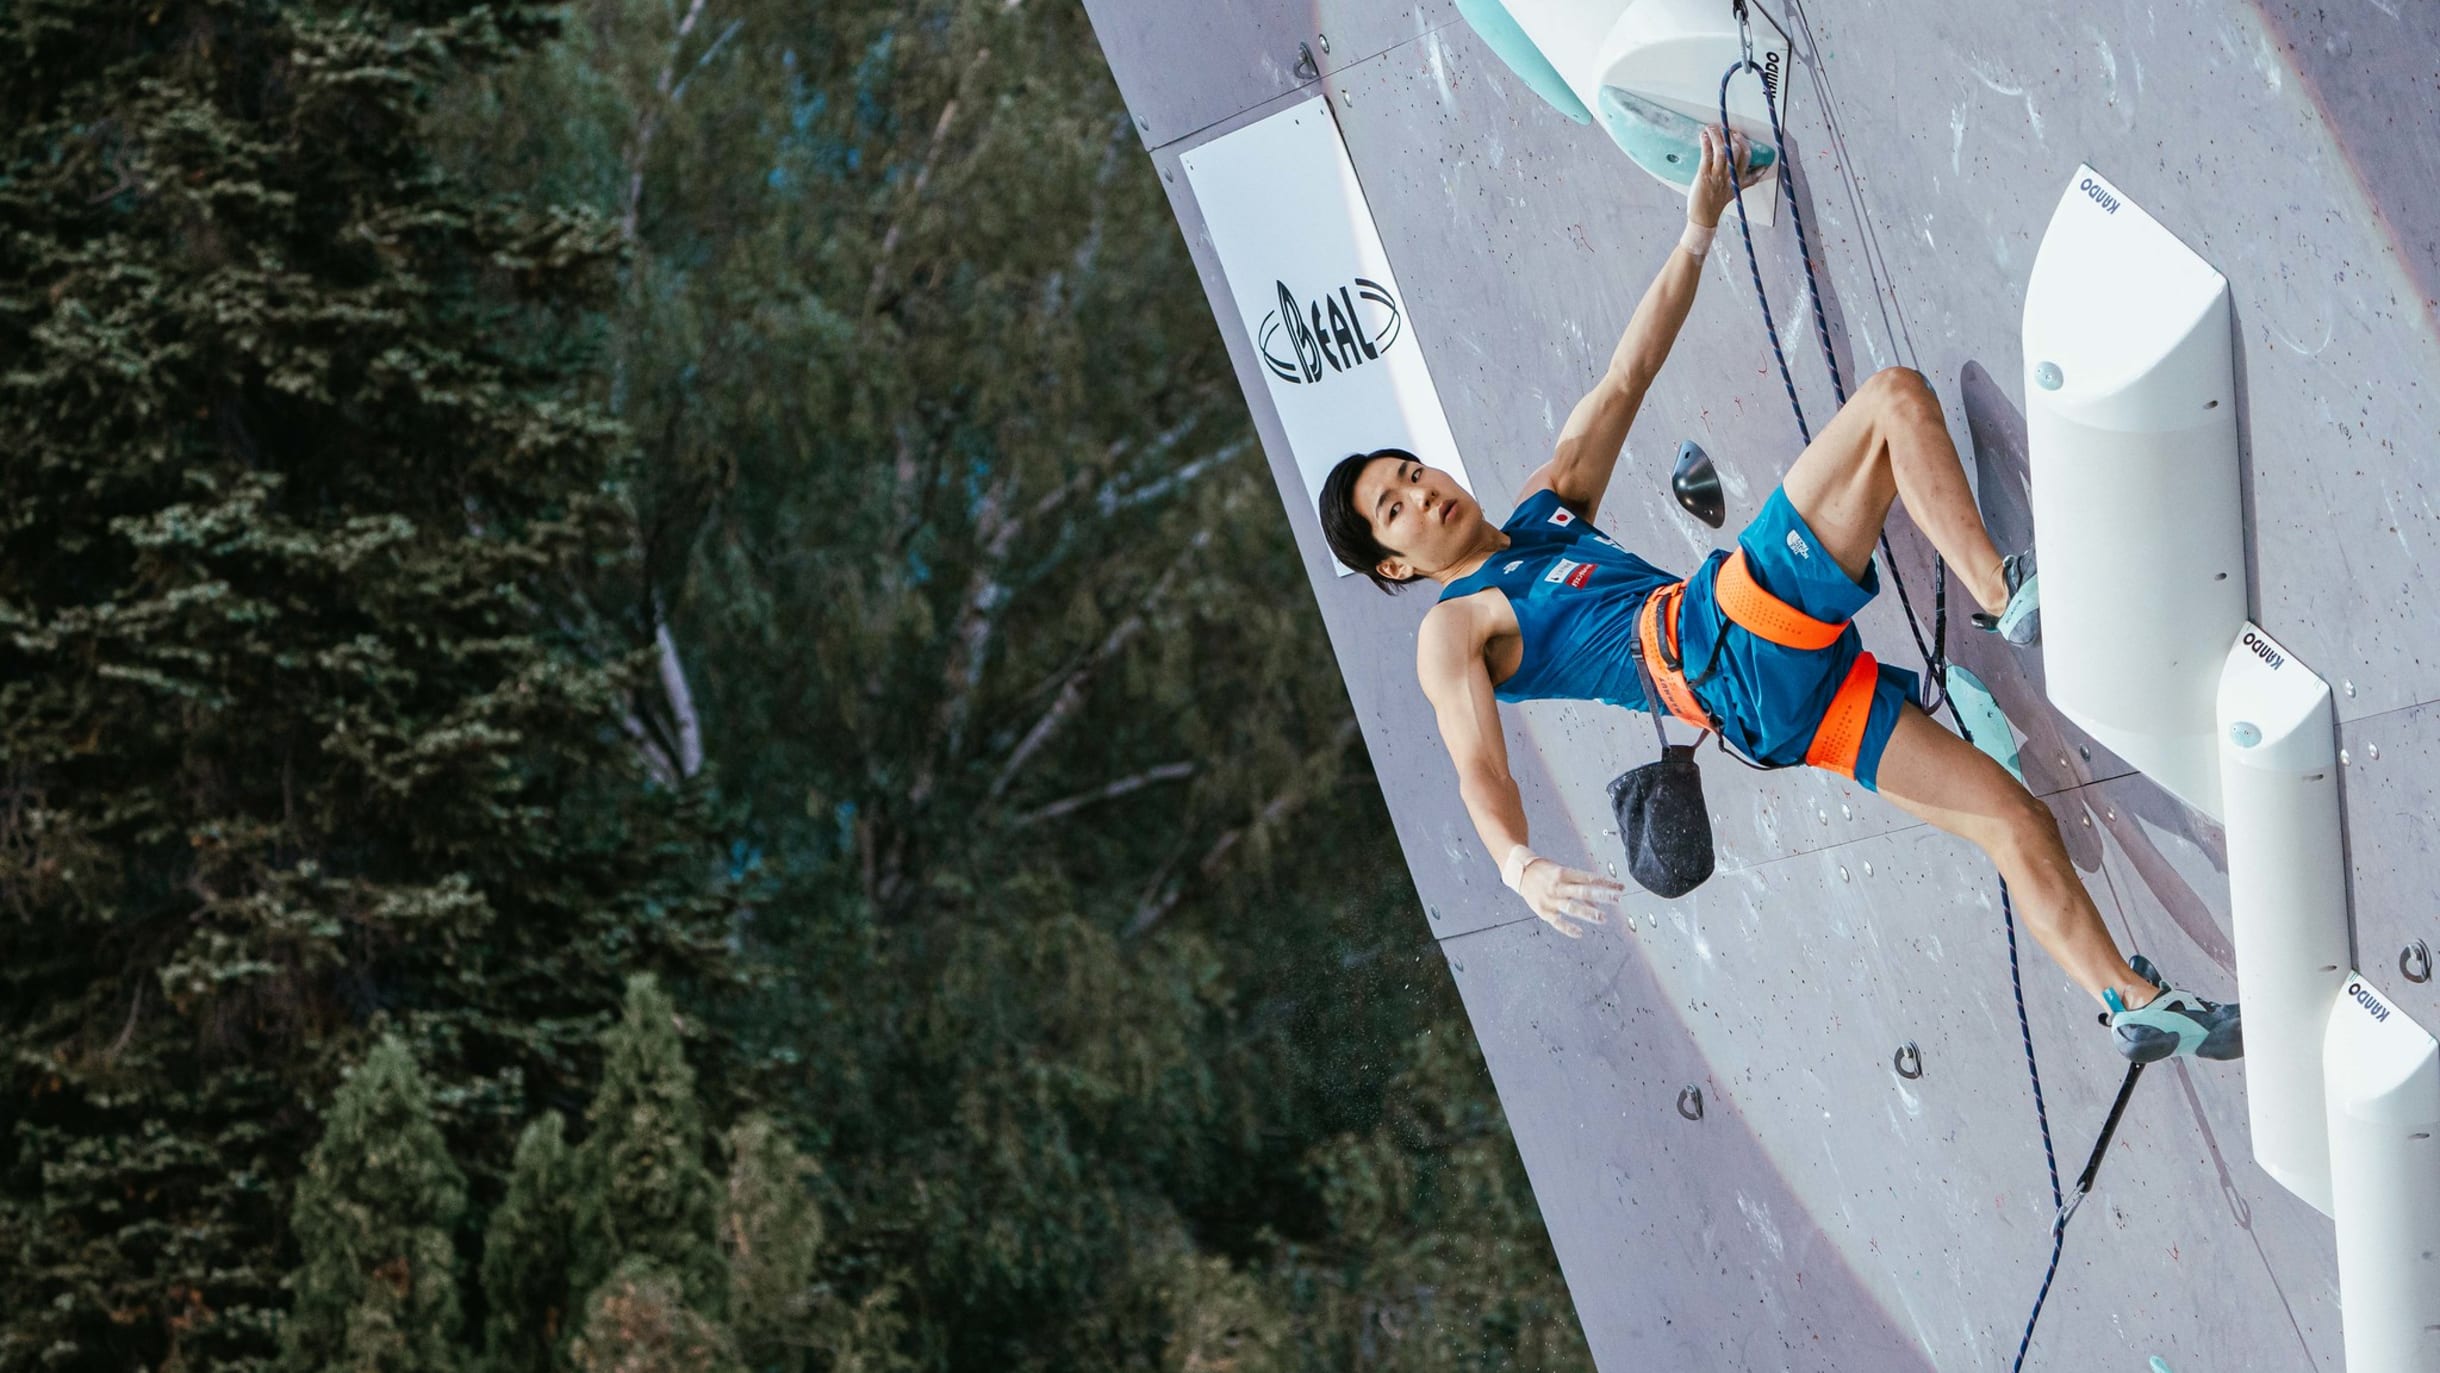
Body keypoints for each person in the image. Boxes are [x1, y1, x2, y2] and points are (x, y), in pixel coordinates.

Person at [1317, 126, 2239, 1065]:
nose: (1424, 491)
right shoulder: (1454, 625)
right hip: (1721, 643)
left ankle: (2129, 1001)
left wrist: (1698, 230)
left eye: (1410, 471)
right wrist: (1518, 867)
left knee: (2011, 818)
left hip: (1777, 708)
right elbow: (1480, 767)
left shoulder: (1543, 507)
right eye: (1396, 510)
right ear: (1395, 563)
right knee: (1890, 402)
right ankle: (2006, 594)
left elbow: (1627, 374)